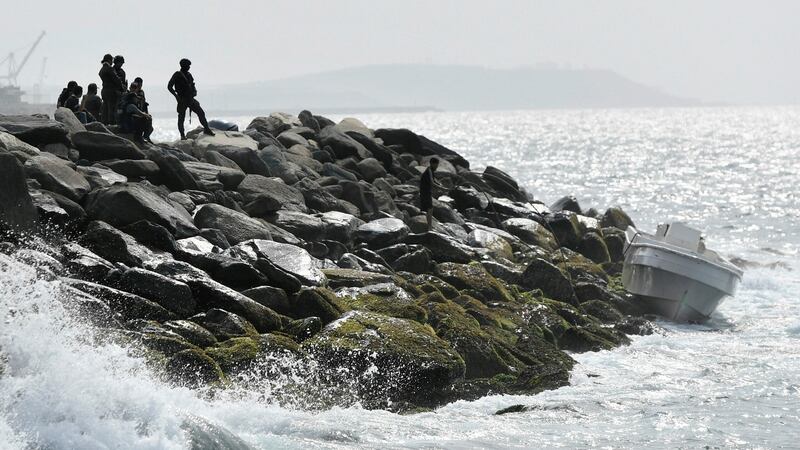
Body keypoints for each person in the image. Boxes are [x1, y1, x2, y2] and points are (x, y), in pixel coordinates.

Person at [167, 58, 214, 139]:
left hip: (190, 99)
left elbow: (192, 85)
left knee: (201, 112)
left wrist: (194, 91)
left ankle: (206, 128)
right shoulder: (177, 74)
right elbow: (169, 86)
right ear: (183, 66)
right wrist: (176, 96)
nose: (189, 67)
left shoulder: (189, 75)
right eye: (188, 65)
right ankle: (182, 135)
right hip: (182, 99)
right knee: (181, 118)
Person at [99, 54, 124, 124]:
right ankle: (112, 123)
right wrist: (121, 88)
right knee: (112, 108)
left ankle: (105, 122)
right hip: (111, 91)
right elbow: (116, 79)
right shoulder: (109, 68)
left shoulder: (102, 69)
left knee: (106, 108)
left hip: (104, 90)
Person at [419, 158, 443, 231]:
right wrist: (443, 188)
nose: (437, 167)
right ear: (432, 164)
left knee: (429, 209)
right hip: (425, 191)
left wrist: (439, 184)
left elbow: (434, 179)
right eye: (436, 165)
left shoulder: (431, 170)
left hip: (426, 191)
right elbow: (432, 182)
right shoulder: (429, 170)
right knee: (430, 209)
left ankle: (429, 226)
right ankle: (429, 227)